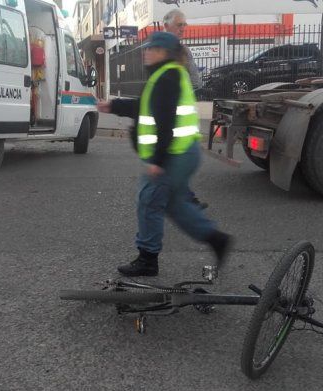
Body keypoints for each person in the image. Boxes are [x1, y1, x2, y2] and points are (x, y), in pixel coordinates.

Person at [97, 32, 231, 277]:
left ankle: (148, 260)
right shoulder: (165, 74)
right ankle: (215, 238)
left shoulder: (167, 76)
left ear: (166, 52)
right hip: (181, 152)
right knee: (174, 204)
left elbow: (165, 120)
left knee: (149, 200)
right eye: (147, 47)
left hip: (174, 154)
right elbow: (147, 107)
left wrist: (158, 161)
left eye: (154, 48)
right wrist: (113, 106)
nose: (147, 51)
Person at [163, 9, 207, 210]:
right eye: (179, 24)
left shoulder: (178, 50)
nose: (183, 28)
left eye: (184, 24)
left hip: (180, 114)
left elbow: (194, 78)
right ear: (166, 26)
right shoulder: (167, 50)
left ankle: (181, 196)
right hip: (171, 114)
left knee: (176, 157)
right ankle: (182, 199)